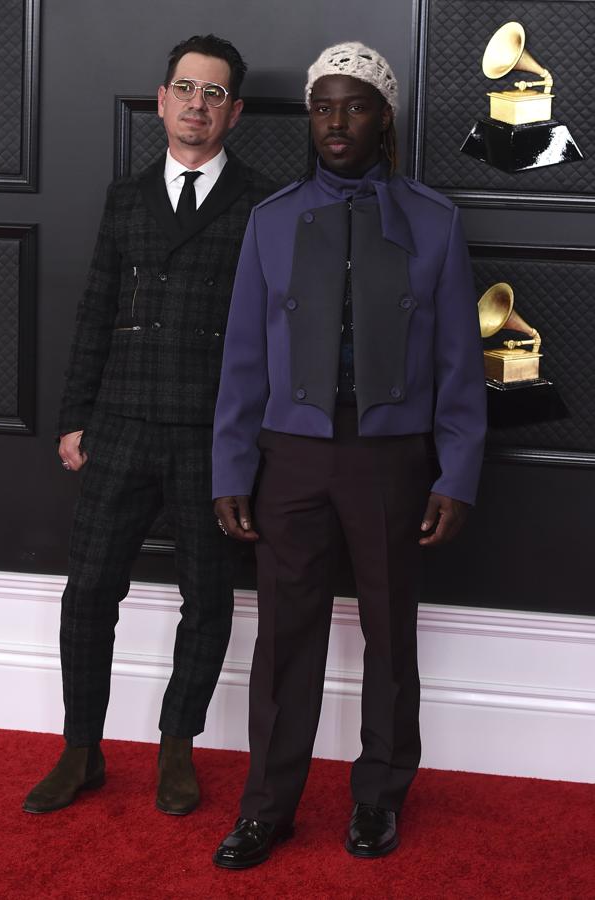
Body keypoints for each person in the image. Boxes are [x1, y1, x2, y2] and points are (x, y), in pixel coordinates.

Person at [211, 42, 487, 867]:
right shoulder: (270, 221)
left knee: (388, 632)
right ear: (309, 115)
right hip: (289, 456)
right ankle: (266, 807)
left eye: (355, 105)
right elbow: (243, 362)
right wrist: (231, 467)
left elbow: (456, 365)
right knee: (283, 638)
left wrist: (456, 471)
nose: (337, 121)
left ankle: (378, 798)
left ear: (383, 116)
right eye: (323, 106)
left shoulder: (434, 222)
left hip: (390, 459)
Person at [23, 34, 276, 816]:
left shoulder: (263, 203)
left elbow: (273, 330)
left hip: (211, 436)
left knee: (207, 597)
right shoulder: (125, 198)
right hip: (121, 422)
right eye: (184, 88)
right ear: (161, 99)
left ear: (231, 112)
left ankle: (176, 747)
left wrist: (256, 440)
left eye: (212, 93)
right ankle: (81, 751)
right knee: (89, 592)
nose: (196, 104)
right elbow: (96, 307)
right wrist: (73, 417)